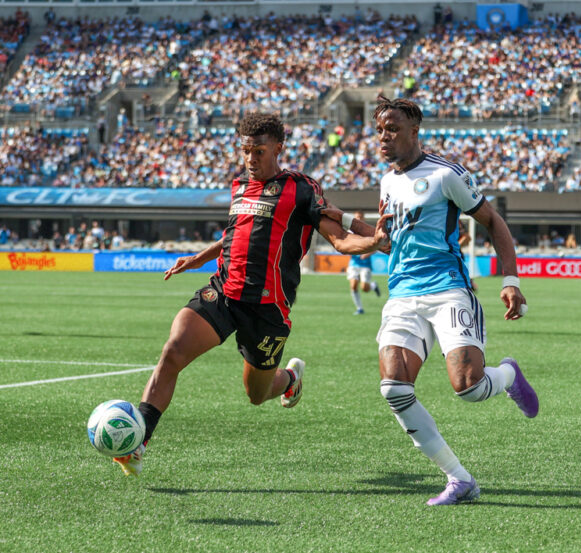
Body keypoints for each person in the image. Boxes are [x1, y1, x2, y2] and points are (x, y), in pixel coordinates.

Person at [112, 112, 390, 477]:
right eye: (245, 151)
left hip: (267, 310)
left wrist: (372, 242)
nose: (250, 159)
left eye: (258, 151)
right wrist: (198, 259)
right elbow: (234, 234)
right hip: (223, 293)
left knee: (257, 394)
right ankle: (138, 443)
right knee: (172, 351)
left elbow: (339, 239)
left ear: (278, 148)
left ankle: (290, 379)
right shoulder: (239, 186)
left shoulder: (302, 189)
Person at [326, 96, 538, 506]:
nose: (383, 137)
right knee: (393, 387)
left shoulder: (446, 175)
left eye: (392, 129)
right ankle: (459, 478)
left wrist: (510, 280)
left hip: (447, 288)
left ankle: (509, 375)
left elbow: (493, 222)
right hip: (402, 294)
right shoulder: (387, 182)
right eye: (379, 130)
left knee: (469, 388)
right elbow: (391, 240)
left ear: (414, 132)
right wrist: (349, 220)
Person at [347, 211, 382, 315]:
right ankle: (359, 309)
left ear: (363, 219)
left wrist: (367, 254)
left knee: (364, 288)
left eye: (360, 217)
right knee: (353, 286)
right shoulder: (350, 232)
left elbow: (377, 246)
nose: (358, 219)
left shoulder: (368, 231)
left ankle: (373, 286)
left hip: (365, 264)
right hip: (354, 263)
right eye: (356, 217)